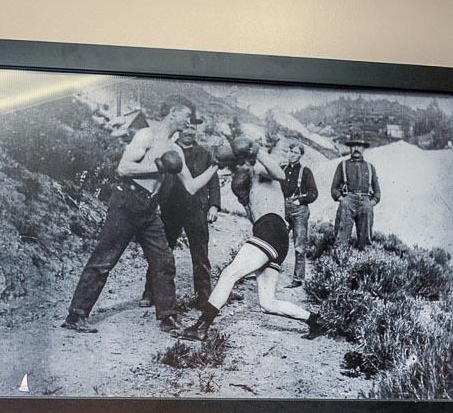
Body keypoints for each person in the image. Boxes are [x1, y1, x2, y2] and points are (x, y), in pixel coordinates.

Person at [63, 106, 183, 330]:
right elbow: (124, 168)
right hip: (127, 200)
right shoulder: (147, 135)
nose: (189, 122)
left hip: (149, 207)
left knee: (164, 261)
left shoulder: (174, 148)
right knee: (104, 259)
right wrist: (157, 166)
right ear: (173, 112)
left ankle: (167, 317)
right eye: (187, 116)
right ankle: (76, 316)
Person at [186, 137, 311, 333]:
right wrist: (242, 196)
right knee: (268, 303)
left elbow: (280, 174)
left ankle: (201, 327)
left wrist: (257, 150)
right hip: (275, 235)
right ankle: (315, 321)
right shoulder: (244, 185)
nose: (237, 167)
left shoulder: (260, 170)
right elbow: (254, 215)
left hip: (270, 229)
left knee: (229, 274)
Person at [144, 119, 224, 309]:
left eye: (193, 127)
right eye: (186, 126)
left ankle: (203, 297)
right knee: (161, 253)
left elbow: (213, 181)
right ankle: (150, 293)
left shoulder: (205, 154)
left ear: (197, 130)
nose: (189, 131)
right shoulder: (168, 150)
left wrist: (214, 206)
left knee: (200, 255)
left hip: (196, 209)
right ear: (179, 128)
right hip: (170, 208)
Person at [280, 142, 319, 285]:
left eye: (295, 153)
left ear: (300, 155)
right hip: (283, 208)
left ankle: (298, 278)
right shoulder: (282, 168)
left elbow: (314, 193)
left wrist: (300, 201)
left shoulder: (306, 171)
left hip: (299, 211)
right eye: (290, 151)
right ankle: (270, 270)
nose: (291, 155)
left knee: (299, 245)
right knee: (277, 239)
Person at [330, 138, 380, 249]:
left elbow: (377, 192)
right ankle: (339, 260)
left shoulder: (370, 167)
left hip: (365, 202)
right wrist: (343, 199)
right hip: (348, 201)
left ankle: (364, 262)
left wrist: (371, 203)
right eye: (354, 146)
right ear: (350, 148)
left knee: (366, 240)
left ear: (364, 148)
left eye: (360, 146)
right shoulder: (342, 165)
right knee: (341, 237)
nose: (357, 149)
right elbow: (334, 189)